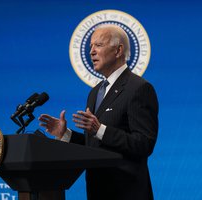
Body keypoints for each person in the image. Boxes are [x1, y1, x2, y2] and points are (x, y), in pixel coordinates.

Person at [39, 24, 159, 200]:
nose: (91, 51)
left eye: (98, 45)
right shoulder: (95, 92)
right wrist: (65, 134)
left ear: (118, 50)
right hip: (98, 192)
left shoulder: (139, 88)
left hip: (127, 193)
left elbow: (143, 144)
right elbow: (95, 146)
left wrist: (100, 129)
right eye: (90, 47)